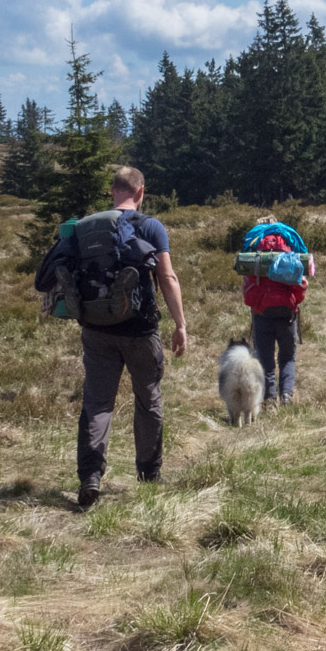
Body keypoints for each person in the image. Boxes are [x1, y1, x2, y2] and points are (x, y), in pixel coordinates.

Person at [72, 166, 187, 507]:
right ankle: (149, 475)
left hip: (95, 329)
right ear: (140, 192)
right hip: (140, 329)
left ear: (113, 191)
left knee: (97, 403)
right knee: (148, 400)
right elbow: (167, 277)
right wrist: (180, 324)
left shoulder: (85, 227)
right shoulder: (150, 226)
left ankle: (91, 477)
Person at [241, 216, 313, 406]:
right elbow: (301, 289)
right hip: (287, 313)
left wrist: (258, 304)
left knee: (265, 357)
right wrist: (292, 302)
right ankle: (287, 395)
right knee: (288, 357)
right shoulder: (290, 250)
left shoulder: (253, 253)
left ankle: (270, 399)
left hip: (262, 313)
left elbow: (247, 294)